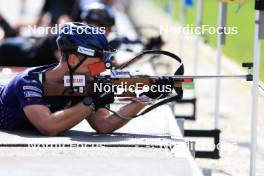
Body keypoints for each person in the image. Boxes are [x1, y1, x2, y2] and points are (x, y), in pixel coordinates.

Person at [0, 23, 170, 136]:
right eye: (96, 64)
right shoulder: (29, 82)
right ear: (73, 59)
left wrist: (147, 98)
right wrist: (90, 103)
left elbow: (104, 125)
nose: (101, 69)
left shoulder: (83, 83)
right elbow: (49, 126)